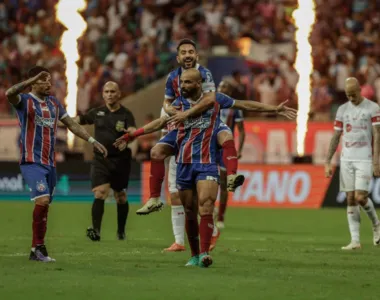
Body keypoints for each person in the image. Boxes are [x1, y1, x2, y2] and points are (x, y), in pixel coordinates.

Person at [115, 69, 296, 266]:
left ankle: (204, 254)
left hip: (207, 163)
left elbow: (243, 104)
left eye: (187, 83)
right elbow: (160, 123)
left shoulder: (215, 99)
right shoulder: (177, 104)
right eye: (181, 82)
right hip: (184, 163)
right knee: (190, 211)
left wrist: (274, 109)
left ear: (198, 84)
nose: (182, 86)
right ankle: (193, 255)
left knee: (207, 206)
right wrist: (131, 135)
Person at [6, 66, 108, 262]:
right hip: (31, 161)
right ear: (33, 82)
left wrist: (92, 141)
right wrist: (29, 80)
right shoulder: (25, 101)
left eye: (49, 80)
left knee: (45, 206)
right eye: (43, 80)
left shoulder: (53, 103)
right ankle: (38, 248)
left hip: (50, 163)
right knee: (42, 200)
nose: (48, 84)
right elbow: (9, 93)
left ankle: (37, 249)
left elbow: (72, 125)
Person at [135, 39, 243, 216]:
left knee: (225, 139)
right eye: (183, 52)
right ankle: (155, 198)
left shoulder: (205, 75)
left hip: (205, 126)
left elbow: (209, 100)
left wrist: (185, 113)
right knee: (158, 155)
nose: (187, 55)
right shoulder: (172, 77)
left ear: (196, 56)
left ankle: (228, 182)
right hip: (180, 126)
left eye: (190, 52)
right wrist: (172, 111)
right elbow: (167, 104)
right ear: (178, 57)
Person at [73, 81, 137, 241]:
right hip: (101, 159)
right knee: (100, 192)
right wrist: (59, 120)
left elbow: (133, 130)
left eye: (112, 91)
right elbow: (79, 119)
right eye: (106, 91)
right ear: (103, 94)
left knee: (120, 196)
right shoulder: (97, 112)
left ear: (119, 94)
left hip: (121, 160)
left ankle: (121, 232)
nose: (109, 94)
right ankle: (96, 231)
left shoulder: (126, 114)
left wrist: (130, 133)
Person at [325, 77, 380, 250]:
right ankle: (355, 241)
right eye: (348, 95)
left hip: (364, 158)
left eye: (353, 94)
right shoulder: (342, 110)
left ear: (359, 90)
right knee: (350, 198)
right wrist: (327, 161)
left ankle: (376, 224)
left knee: (360, 197)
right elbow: (336, 136)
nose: (351, 98)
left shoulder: (372, 108)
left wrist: (377, 160)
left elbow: (377, 135)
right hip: (346, 158)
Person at [215, 79, 246, 230]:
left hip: (225, 149)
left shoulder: (235, 108)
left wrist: (239, 149)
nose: (221, 88)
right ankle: (208, 208)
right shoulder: (211, 102)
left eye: (224, 86)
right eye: (220, 85)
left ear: (230, 90)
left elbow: (242, 130)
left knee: (223, 183)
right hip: (209, 147)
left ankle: (220, 215)